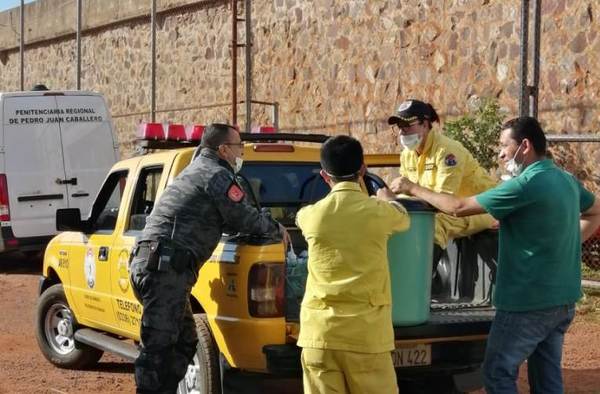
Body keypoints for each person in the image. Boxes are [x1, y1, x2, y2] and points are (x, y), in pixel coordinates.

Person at [391, 116, 600, 393]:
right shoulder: (565, 180)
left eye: (504, 146)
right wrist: (566, 244)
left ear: (524, 146)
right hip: (562, 301)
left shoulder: (523, 185)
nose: (500, 153)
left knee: (497, 372)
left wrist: (411, 187)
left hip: (525, 303)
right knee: (547, 377)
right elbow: (595, 210)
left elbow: (456, 206)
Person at [129, 123, 288, 394]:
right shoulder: (215, 175)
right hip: (165, 270)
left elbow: (222, 219)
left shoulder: (197, 170)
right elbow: (243, 217)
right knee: (159, 349)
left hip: (163, 266)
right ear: (223, 149)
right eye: (239, 146)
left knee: (185, 342)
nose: (242, 152)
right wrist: (277, 229)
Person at [296, 135, 410, 394]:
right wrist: (387, 197)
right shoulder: (379, 212)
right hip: (366, 337)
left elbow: (300, 218)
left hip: (319, 336)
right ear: (362, 169)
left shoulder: (311, 216)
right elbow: (403, 219)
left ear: (325, 176)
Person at [387, 99, 498, 299]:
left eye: (408, 125)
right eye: (400, 127)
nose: (403, 132)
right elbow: (411, 199)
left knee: (435, 223)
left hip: (482, 209)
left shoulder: (447, 151)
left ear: (425, 123)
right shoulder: (407, 155)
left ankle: (417, 286)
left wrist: (411, 188)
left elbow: (446, 204)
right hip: (448, 209)